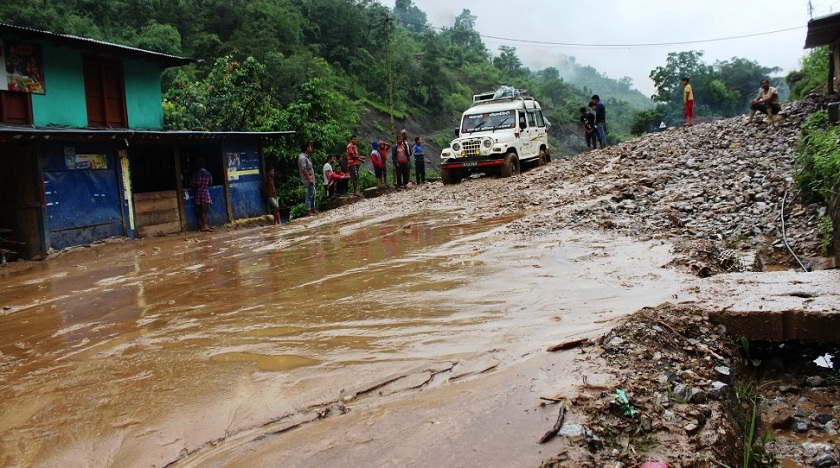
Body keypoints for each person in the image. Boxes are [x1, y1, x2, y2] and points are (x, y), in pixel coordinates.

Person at [190, 158, 213, 232]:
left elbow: (192, 184)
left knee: (201, 210)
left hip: (199, 193)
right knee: (205, 210)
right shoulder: (209, 174)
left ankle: (204, 226)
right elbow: (210, 183)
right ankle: (205, 225)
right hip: (206, 193)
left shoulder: (196, 175)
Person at [298, 140, 317, 216]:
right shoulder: (302, 158)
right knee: (309, 195)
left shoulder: (307, 156)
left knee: (313, 194)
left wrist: (311, 145)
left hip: (311, 179)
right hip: (308, 180)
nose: (311, 148)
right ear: (306, 148)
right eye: (310, 147)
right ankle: (309, 212)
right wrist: (309, 179)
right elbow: (304, 169)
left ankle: (312, 209)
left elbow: (311, 152)